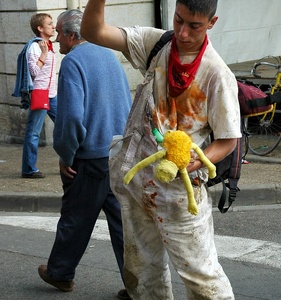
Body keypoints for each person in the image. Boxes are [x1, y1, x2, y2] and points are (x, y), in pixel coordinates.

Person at [81, 0, 242, 299]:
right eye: (178, 20)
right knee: (142, 271)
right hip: (137, 181)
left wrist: (196, 162)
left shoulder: (216, 74)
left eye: (194, 25)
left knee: (201, 276)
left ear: (211, 22)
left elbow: (227, 140)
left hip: (181, 192)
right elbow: (92, 31)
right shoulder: (157, 43)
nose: (182, 33)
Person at [37, 9, 132, 300]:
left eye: (59, 33)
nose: (55, 38)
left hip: (89, 156)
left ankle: (60, 273)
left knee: (76, 217)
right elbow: (126, 102)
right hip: (117, 153)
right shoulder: (108, 55)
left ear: (69, 34)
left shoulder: (73, 62)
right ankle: (140, 285)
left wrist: (66, 154)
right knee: (124, 226)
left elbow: (70, 118)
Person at [19, 13, 57, 178]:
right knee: (33, 132)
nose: (53, 26)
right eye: (49, 24)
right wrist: (43, 53)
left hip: (53, 94)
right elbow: (33, 72)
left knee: (67, 124)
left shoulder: (49, 44)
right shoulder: (35, 47)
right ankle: (28, 169)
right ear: (40, 28)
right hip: (40, 93)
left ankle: (76, 161)